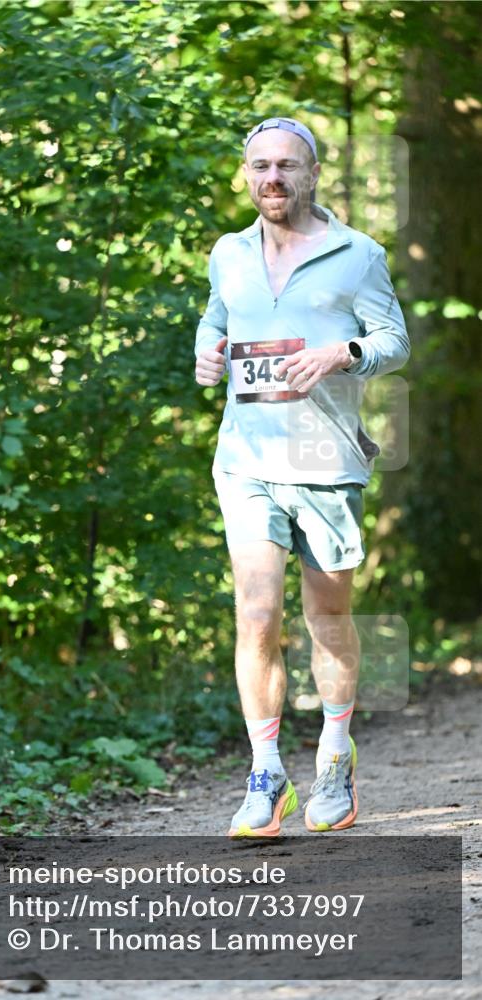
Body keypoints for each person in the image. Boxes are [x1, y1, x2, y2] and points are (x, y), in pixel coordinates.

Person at [193, 116, 410, 838]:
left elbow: (393, 341)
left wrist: (341, 353)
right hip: (245, 460)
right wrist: (207, 352)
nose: (273, 178)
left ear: (313, 173)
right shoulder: (228, 253)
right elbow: (216, 321)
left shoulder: (357, 254)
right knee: (256, 615)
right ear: (245, 175)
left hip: (325, 462)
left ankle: (335, 756)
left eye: (287, 165)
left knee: (326, 620)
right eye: (260, 166)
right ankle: (265, 775)